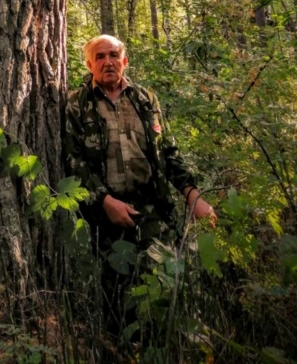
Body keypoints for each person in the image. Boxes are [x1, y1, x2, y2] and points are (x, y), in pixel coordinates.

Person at [65, 34, 216, 332]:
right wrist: (106, 202)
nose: (107, 62)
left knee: (166, 290)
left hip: (152, 211)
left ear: (125, 61)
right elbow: (74, 162)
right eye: (100, 57)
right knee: (119, 307)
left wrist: (193, 197)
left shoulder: (145, 100)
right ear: (89, 64)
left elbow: (168, 153)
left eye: (113, 55)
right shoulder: (76, 104)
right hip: (104, 218)